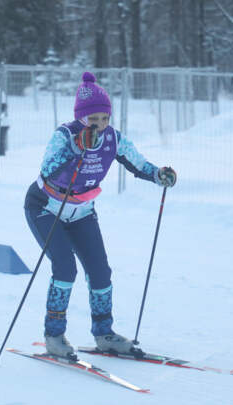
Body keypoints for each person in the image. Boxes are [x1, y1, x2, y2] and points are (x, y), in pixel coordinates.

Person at [24, 71, 176, 359]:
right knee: (65, 268)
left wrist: (159, 174)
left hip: (81, 211)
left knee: (101, 272)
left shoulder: (112, 139)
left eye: (105, 119)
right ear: (81, 118)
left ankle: (104, 333)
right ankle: (54, 336)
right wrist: (76, 148)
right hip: (46, 207)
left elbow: (138, 163)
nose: (101, 125)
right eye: (94, 120)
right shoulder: (65, 135)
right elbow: (47, 169)